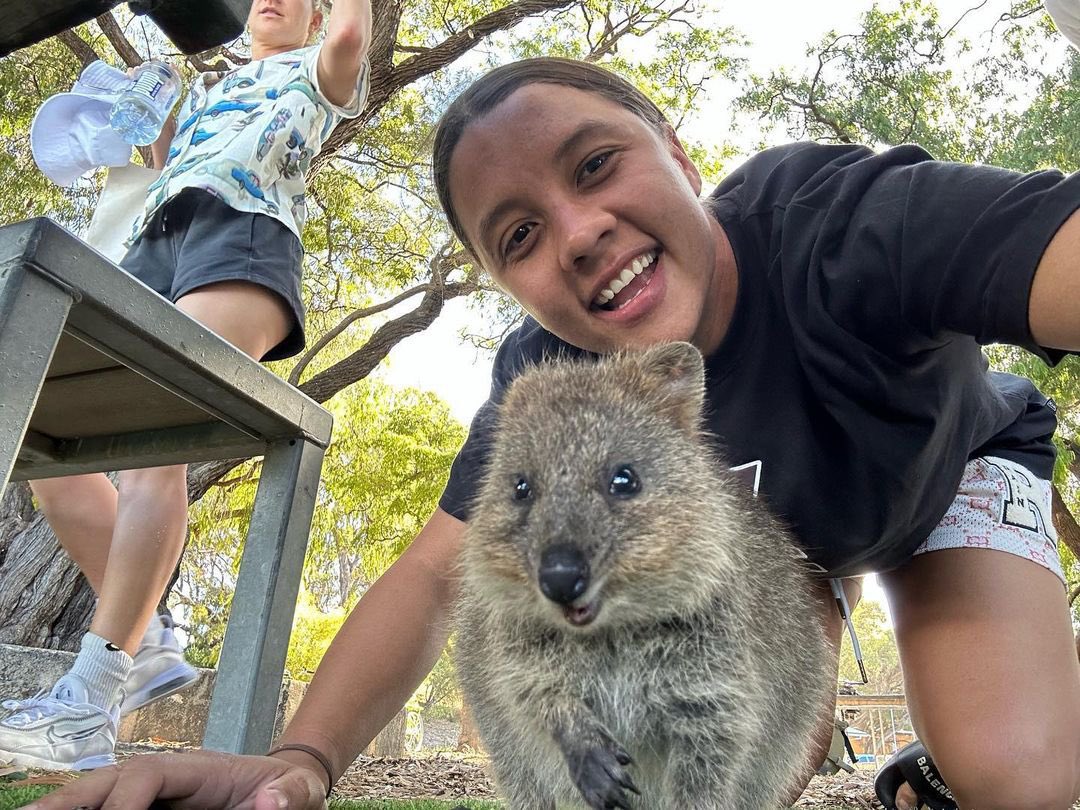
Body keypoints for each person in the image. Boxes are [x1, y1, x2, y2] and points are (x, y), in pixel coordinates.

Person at [25, 54, 1080, 810]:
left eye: (595, 166)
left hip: (946, 475)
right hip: (775, 544)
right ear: (501, 281)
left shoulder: (843, 225)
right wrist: (302, 760)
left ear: (674, 147)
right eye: (519, 235)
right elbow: (441, 572)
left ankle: (945, 761)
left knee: (1020, 777)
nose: (579, 237)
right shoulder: (548, 380)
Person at [0, 0, 371, 772]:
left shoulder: (318, 71)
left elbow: (347, 35)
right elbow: (157, 158)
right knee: (50, 463)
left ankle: (89, 699)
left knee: (147, 454)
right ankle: (147, 640)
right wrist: (126, 112)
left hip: (241, 235)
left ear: (315, 17)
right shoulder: (206, 85)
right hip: (156, 240)